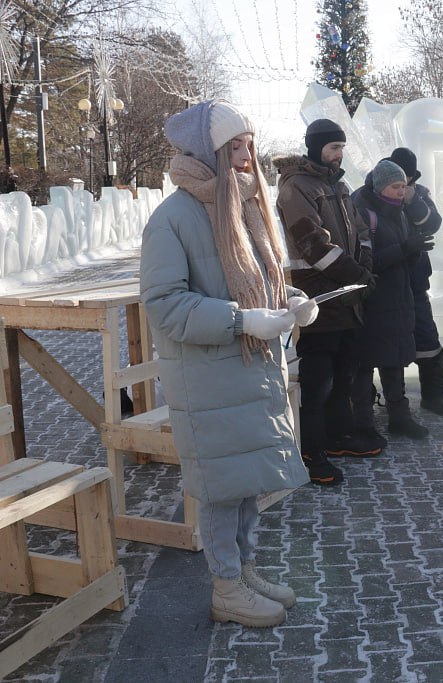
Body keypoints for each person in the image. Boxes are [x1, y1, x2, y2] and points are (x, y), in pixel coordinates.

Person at [141, 100, 311, 628]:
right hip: (209, 375)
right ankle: (226, 588)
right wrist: (243, 321)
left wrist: (290, 301)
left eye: (249, 145)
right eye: (234, 147)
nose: (246, 157)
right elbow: (165, 305)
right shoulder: (173, 218)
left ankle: (243, 569)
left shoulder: (243, 204)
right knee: (221, 487)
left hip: (249, 368)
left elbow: (261, 278)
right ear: (206, 152)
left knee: (245, 482)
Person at [275, 118, 381, 487]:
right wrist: (355, 274)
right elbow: (312, 243)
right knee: (317, 380)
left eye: (342, 149)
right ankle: (311, 450)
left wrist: (364, 266)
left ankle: (338, 438)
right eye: (334, 147)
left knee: (343, 374)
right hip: (317, 295)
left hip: (348, 296)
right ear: (316, 146)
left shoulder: (339, 185)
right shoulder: (296, 187)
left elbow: (362, 230)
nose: (339, 155)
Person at [352, 159, 432, 438]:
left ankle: (399, 417)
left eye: (404, 186)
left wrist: (414, 252)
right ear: (381, 187)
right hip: (372, 301)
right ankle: (363, 423)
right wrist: (404, 249)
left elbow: (401, 260)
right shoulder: (364, 213)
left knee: (394, 361)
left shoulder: (399, 213)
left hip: (397, 298)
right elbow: (366, 263)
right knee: (364, 365)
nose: (402, 191)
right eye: (396, 186)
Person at [382, 147, 443, 417]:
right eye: (401, 181)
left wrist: (413, 200)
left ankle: (433, 397)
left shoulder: (419, 193)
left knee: (428, 341)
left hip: (416, 283)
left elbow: (433, 223)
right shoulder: (374, 189)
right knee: (391, 346)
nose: (405, 187)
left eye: (409, 181)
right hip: (386, 284)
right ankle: (395, 405)